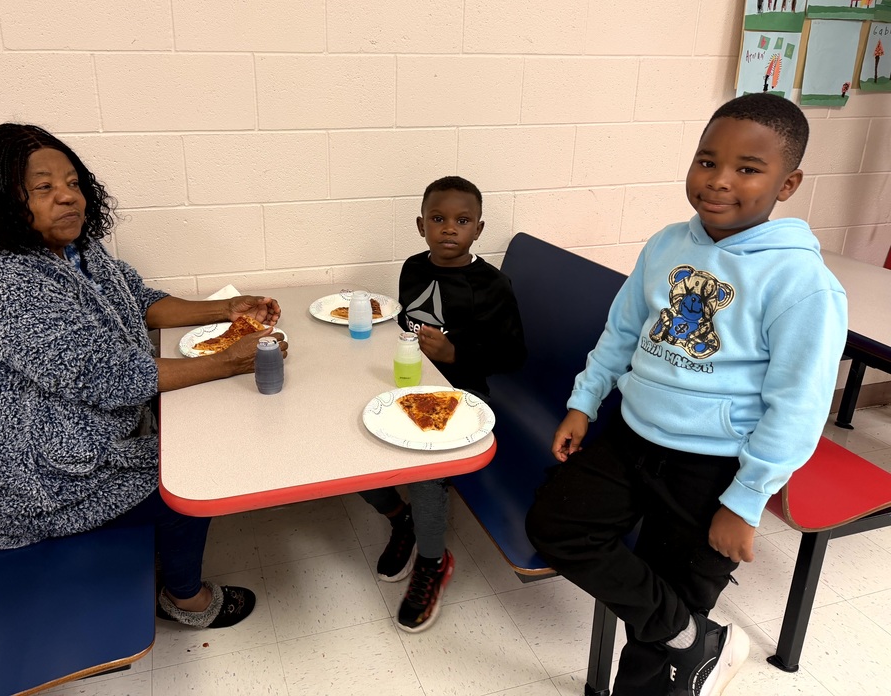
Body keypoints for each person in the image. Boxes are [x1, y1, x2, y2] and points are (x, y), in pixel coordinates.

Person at [525, 94, 848, 696]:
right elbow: (622, 331)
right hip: (631, 434)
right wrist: (584, 400)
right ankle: (698, 642)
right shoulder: (667, 243)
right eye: (707, 160)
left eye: (748, 169)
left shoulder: (803, 283)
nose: (719, 181)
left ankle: (677, 654)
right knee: (556, 526)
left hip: (713, 467)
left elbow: (798, 407)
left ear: (788, 183)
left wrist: (746, 499)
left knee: (672, 602)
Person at [0, 123, 288, 629]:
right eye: (44, 187)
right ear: (2, 199)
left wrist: (225, 309)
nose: (67, 198)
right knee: (191, 474)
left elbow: (140, 303)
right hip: (19, 479)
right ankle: (185, 599)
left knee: (188, 435)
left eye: (73, 183)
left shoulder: (70, 247)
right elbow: (113, 378)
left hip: (58, 435)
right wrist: (231, 361)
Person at [359, 175, 526, 632]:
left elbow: (514, 357)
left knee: (426, 467)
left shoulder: (493, 285)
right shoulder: (413, 267)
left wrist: (456, 354)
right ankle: (402, 519)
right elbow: (406, 326)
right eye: (438, 219)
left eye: (462, 220)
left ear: (478, 228)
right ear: (420, 225)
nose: (449, 228)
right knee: (348, 437)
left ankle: (433, 560)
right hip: (409, 383)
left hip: (465, 394)